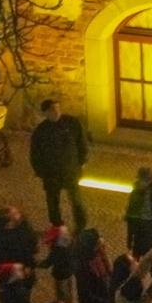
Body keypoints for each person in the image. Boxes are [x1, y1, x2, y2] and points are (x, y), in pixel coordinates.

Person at [30, 100, 90, 234]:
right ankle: (57, 225)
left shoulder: (72, 123)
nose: (56, 111)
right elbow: (35, 154)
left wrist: (82, 161)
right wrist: (41, 172)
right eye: (52, 110)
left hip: (70, 170)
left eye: (57, 108)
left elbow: (82, 142)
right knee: (53, 202)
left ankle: (81, 225)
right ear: (45, 113)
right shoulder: (41, 131)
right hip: (51, 174)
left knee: (76, 199)